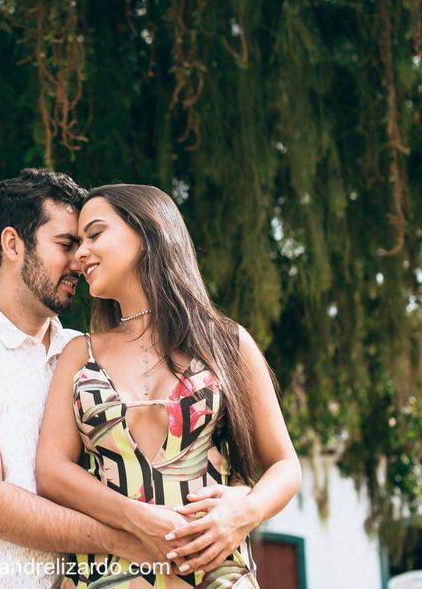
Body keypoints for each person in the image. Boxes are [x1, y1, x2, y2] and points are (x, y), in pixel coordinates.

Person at [0, 169, 214, 589]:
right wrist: (131, 542)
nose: (80, 259)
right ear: (12, 244)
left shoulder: (88, 355)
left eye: (86, 243)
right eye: (66, 244)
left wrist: (239, 499)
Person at [37, 184, 302, 588]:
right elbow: (51, 471)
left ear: (147, 232)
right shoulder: (80, 352)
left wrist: (245, 512)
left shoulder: (228, 343)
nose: (79, 255)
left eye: (94, 234)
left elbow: (285, 466)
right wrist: (137, 519)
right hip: (106, 576)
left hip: (216, 574)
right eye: (76, 243)